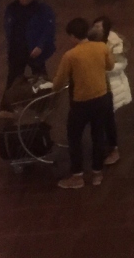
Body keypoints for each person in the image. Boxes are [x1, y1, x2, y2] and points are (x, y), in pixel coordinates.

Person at [52, 17, 114, 189]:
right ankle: (97, 174)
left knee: (74, 138)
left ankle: (77, 176)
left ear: (73, 36)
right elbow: (110, 66)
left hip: (81, 103)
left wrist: (53, 87)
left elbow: (59, 82)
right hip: (102, 98)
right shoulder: (101, 47)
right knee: (98, 135)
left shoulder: (70, 55)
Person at [0, 0, 57, 117]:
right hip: (17, 51)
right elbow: (8, 27)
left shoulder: (42, 9)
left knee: (41, 80)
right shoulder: (11, 8)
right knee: (12, 79)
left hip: (34, 51)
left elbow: (49, 29)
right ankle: (7, 109)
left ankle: (44, 106)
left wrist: (40, 46)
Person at [88, 15, 129, 166]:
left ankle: (112, 149)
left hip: (111, 85)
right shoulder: (91, 41)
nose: (96, 29)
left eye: (99, 27)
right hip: (97, 86)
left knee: (108, 120)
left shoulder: (115, 43)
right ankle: (104, 148)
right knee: (102, 120)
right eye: (95, 26)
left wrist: (103, 69)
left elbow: (121, 64)